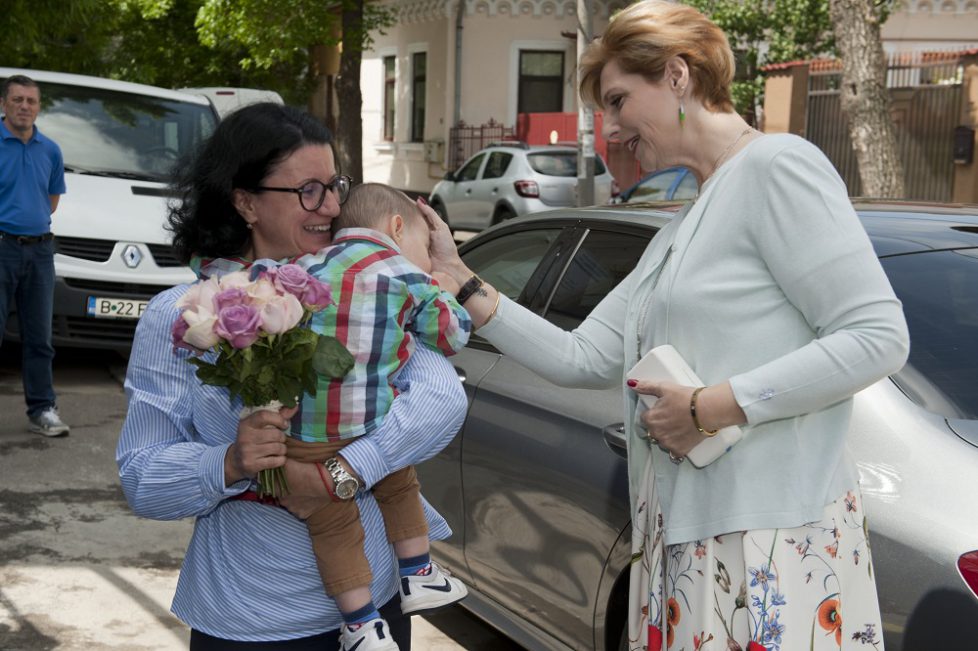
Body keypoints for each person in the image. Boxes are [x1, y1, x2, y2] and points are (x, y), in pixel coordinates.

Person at [419, 2, 910, 650]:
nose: (613, 127)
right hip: (686, 538)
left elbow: (878, 335)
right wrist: (462, 280)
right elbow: (585, 355)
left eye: (620, 99)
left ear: (678, 75)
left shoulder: (777, 167)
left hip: (766, 543)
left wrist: (709, 406)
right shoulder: (692, 216)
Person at [118, 103, 468, 651]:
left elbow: (443, 399)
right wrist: (231, 462)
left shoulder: (365, 290)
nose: (331, 207)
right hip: (252, 613)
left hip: (376, 600)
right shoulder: (185, 315)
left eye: (334, 186)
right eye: (309, 190)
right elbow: (142, 479)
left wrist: (341, 471)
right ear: (245, 202)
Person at [247, 182, 470, 646]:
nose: (425, 258)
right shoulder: (408, 277)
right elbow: (451, 336)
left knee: (332, 528)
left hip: (303, 438)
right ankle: (418, 574)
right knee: (400, 481)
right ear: (395, 228)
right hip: (370, 428)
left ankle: (362, 624)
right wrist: (444, 287)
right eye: (423, 246)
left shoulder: (300, 271)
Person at [0, 74, 70, 437]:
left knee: (40, 337)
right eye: (17, 100)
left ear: (38, 107)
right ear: (3, 104)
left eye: (31, 100)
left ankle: (42, 409)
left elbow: (51, 200)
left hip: (41, 251)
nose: (24, 106)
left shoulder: (51, 150)